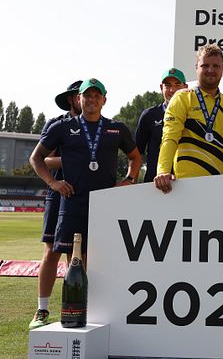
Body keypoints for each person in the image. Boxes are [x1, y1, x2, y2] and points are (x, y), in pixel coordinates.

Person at [28, 78, 140, 327]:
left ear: (104, 99)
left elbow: (135, 156)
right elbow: (36, 158)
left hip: (105, 205)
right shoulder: (61, 126)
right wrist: (54, 184)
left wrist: (130, 180)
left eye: (96, 95)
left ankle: (90, 311)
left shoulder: (116, 128)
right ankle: (53, 311)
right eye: (86, 95)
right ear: (78, 99)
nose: (91, 99)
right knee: (66, 256)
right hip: (71, 202)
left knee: (97, 260)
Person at [28, 80, 82, 329]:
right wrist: (69, 162)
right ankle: (42, 309)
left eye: (90, 95)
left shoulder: (101, 125)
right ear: (71, 99)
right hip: (58, 192)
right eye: (80, 96)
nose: (85, 100)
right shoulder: (56, 124)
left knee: (79, 256)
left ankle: (76, 307)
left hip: (84, 195)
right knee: (51, 252)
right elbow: (41, 160)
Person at [154, 44, 223, 193]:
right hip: (188, 185)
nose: (211, 70)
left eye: (216, 66)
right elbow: (170, 136)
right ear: (196, 67)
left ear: (222, 68)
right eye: (205, 65)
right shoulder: (183, 97)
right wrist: (163, 170)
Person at [135, 68, 187, 183]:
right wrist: (131, 181)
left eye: (177, 85)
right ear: (161, 88)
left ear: (185, 87)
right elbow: (136, 153)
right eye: (167, 85)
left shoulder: (193, 114)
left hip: (185, 182)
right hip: (154, 184)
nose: (172, 90)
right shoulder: (149, 115)